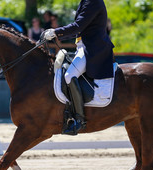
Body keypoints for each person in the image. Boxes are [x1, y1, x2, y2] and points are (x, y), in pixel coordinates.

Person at [42, 0, 115, 135]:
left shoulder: (93, 2)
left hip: (93, 49)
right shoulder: (86, 1)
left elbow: (78, 26)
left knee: (69, 76)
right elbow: (78, 29)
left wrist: (55, 32)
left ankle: (79, 121)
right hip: (83, 46)